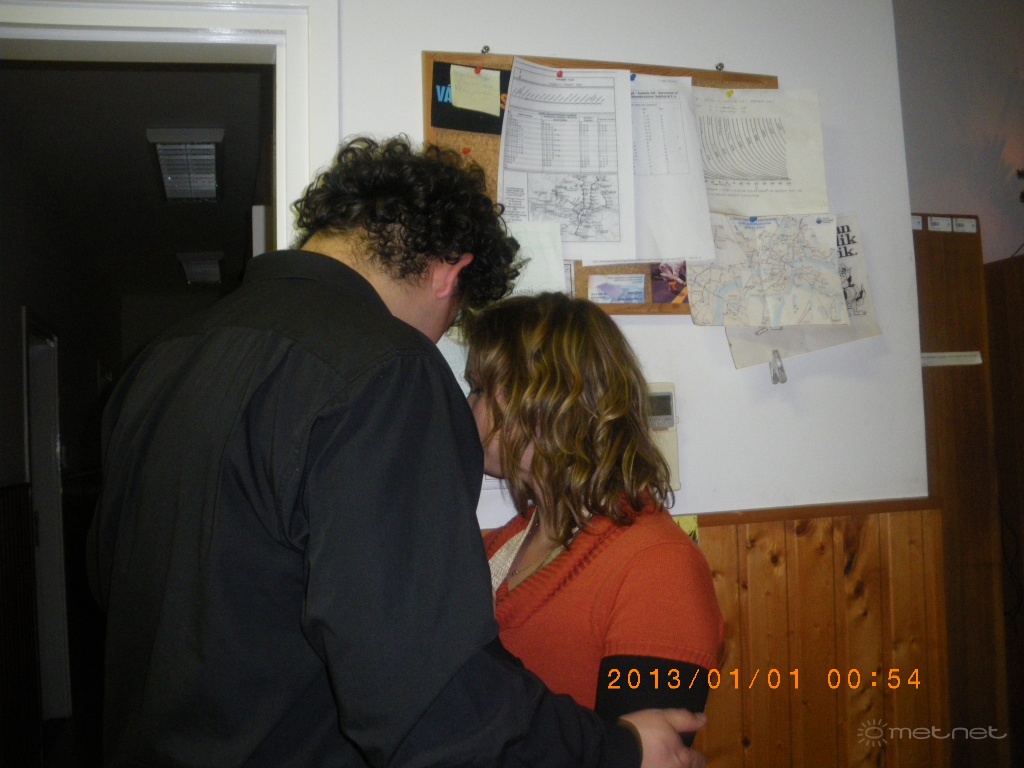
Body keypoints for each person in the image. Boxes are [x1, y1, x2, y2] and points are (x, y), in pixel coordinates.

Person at [87, 135, 707, 768]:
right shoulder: (385, 367)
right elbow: (427, 698)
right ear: (449, 274)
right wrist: (614, 752)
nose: (463, 397)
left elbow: (117, 584)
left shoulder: (160, 363)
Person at [462, 292, 724, 733]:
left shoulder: (658, 567)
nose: (467, 407)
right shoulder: (506, 545)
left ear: (544, 403)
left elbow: (647, 755)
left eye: (480, 390)